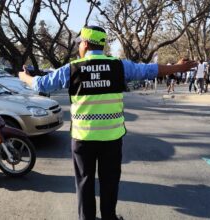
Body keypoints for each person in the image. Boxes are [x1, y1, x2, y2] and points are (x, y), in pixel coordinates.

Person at [18, 26, 197, 220]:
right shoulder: (119, 66)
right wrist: (178, 67)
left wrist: (24, 77)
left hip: (83, 139)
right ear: (101, 45)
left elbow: (40, 84)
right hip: (111, 138)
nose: (79, 47)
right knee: (109, 182)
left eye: (79, 43)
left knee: (85, 182)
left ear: (85, 44)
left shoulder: (72, 68)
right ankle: (109, 217)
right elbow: (150, 70)